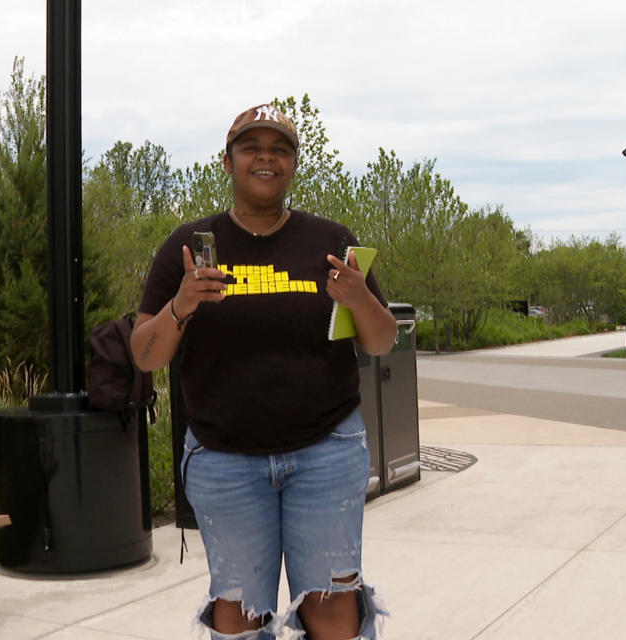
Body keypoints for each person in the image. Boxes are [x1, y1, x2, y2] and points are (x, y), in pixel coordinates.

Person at [131, 104, 397, 640]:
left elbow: (382, 338)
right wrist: (181, 304)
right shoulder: (187, 247)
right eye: (252, 147)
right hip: (224, 462)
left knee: (333, 612)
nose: (266, 158)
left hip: (326, 454)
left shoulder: (329, 242)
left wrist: (358, 297)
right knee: (240, 619)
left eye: (280, 149)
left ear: (294, 165)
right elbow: (144, 354)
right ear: (228, 163)